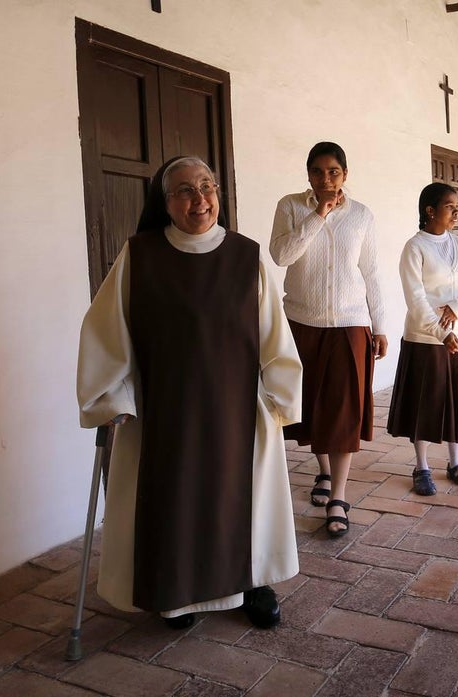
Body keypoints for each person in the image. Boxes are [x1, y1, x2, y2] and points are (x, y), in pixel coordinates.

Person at [76, 155, 303, 630]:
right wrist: (111, 397)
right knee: (174, 498)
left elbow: (274, 336)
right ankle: (177, 594)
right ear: (166, 203)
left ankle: (253, 583)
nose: (199, 199)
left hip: (237, 409)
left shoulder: (247, 255)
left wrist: (279, 396)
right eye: (184, 190)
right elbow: (106, 329)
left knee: (247, 500)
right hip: (166, 410)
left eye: (207, 186)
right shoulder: (140, 256)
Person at [269, 142, 387, 538]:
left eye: (333, 171)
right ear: (308, 175)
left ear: (345, 174)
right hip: (301, 323)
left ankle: (338, 495)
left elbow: (372, 274)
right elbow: (281, 255)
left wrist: (380, 325)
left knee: (343, 411)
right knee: (311, 406)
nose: (325, 179)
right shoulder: (290, 206)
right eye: (318, 171)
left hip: (350, 325)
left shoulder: (362, 216)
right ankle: (322, 472)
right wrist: (318, 215)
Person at [387, 182, 458, 496]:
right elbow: (416, 299)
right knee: (425, 403)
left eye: (457, 205)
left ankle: (455, 464)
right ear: (430, 210)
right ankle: (422, 467)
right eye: (449, 205)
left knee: (457, 398)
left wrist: (457, 309)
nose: (456, 211)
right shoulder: (414, 247)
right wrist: (442, 333)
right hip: (424, 338)